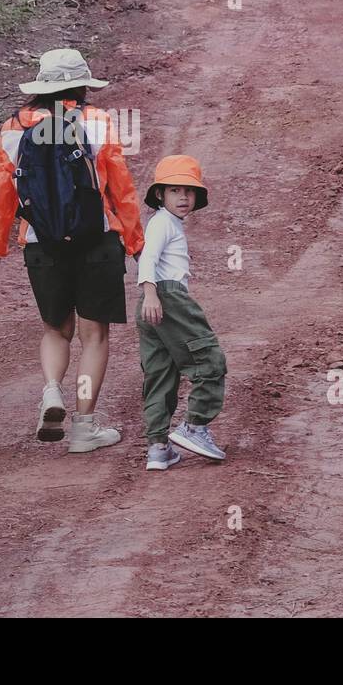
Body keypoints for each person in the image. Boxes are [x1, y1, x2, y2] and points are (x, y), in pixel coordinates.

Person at [0, 48, 144, 452]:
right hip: (96, 240)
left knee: (56, 328)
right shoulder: (97, 122)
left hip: (41, 242)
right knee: (94, 336)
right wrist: (136, 241)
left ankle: (52, 389)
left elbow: (1, 195)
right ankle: (84, 429)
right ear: (83, 85)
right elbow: (120, 188)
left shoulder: (13, 128)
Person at [135, 155, 228, 470]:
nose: (184, 197)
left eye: (189, 191)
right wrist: (151, 292)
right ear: (160, 195)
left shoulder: (167, 222)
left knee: (160, 371)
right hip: (167, 296)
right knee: (210, 359)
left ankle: (158, 447)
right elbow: (147, 257)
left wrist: (149, 296)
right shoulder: (162, 222)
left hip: (154, 301)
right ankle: (195, 427)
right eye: (175, 190)